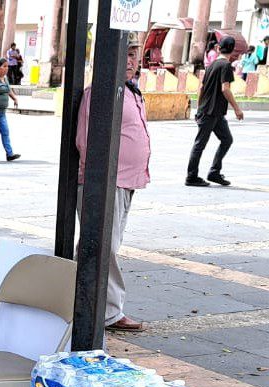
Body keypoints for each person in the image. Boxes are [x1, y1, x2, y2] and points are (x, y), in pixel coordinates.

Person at [76, 42, 151, 333]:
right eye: (125, 54)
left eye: (134, 55)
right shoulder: (99, 93)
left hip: (127, 180)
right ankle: (109, 311)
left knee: (99, 245)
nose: (131, 61)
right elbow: (86, 140)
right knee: (105, 246)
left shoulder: (130, 91)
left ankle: (76, 297)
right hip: (106, 180)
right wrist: (100, 180)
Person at [186, 36, 243, 187]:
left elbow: (201, 88)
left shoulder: (212, 65)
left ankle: (214, 172)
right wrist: (237, 108)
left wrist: (199, 108)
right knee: (200, 144)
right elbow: (225, 89)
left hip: (214, 113)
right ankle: (191, 177)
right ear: (233, 50)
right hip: (210, 113)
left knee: (227, 139)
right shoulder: (225, 66)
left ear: (219, 48)